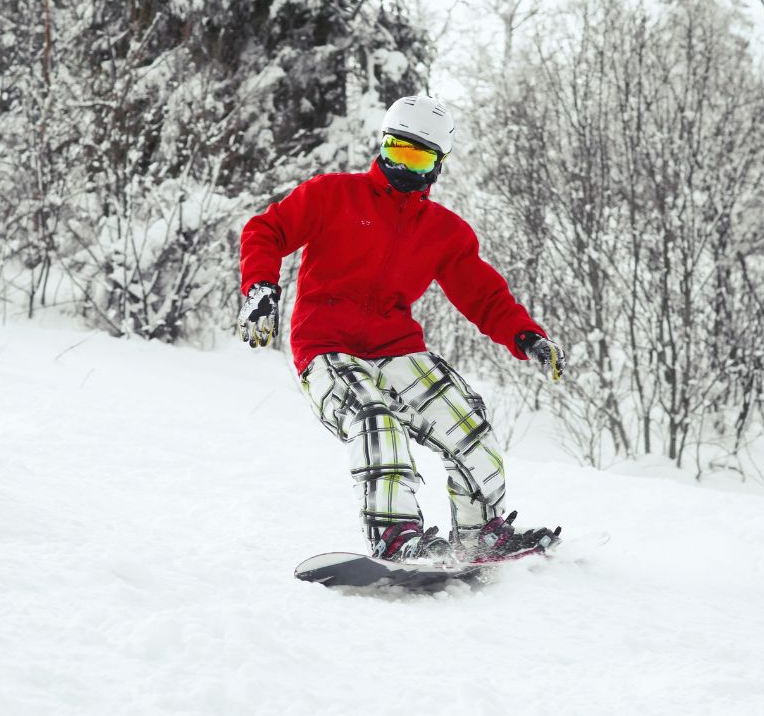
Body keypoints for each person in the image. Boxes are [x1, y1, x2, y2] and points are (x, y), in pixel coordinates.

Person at [236, 94, 565, 564]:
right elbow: (265, 230)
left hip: (395, 348)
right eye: (397, 150)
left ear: (438, 164)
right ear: (383, 145)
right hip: (326, 347)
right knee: (375, 419)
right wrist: (261, 287)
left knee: (468, 420)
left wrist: (525, 335)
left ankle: (480, 534)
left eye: (419, 156)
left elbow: (482, 293)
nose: (403, 165)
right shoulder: (333, 194)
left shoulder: (444, 231)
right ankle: (396, 536)